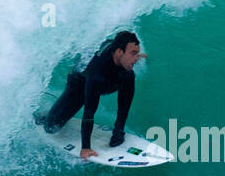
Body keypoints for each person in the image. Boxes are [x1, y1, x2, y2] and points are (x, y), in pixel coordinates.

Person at [35, 30, 147, 159]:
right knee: (51, 128)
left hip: (107, 70)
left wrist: (118, 131)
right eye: (133, 54)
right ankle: (44, 116)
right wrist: (86, 148)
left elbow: (124, 106)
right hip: (80, 80)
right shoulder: (98, 74)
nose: (135, 58)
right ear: (119, 52)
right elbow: (89, 111)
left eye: (136, 54)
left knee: (126, 78)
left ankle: (119, 131)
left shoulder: (126, 69)